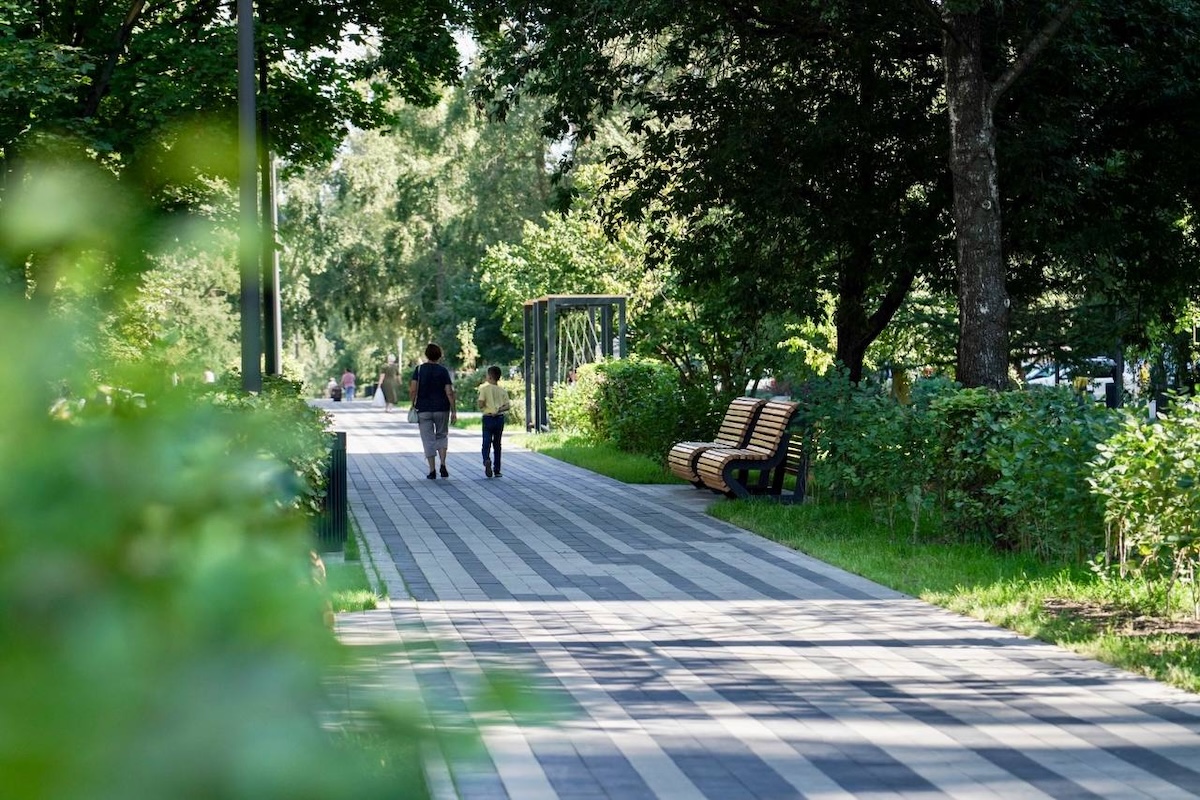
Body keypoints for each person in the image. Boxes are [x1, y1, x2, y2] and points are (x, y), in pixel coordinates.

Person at [410, 343, 457, 479]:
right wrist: (453, 410)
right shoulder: (443, 371)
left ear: (426, 355)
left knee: (428, 439)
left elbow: (413, 389)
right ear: (439, 356)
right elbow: (449, 392)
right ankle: (443, 464)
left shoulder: (419, 370)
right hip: (442, 408)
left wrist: (412, 404)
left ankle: (432, 470)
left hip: (423, 409)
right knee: (442, 435)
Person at [477, 365, 511, 478]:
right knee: (497, 444)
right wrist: (499, 409)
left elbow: (481, 403)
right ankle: (497, 470)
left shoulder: (484, 389)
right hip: (499, 418)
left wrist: (483, 405)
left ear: (490, 377)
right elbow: (507, 406)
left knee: (486, 442)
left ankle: (486, 459)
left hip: (488, 418)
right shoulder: (502, 391)